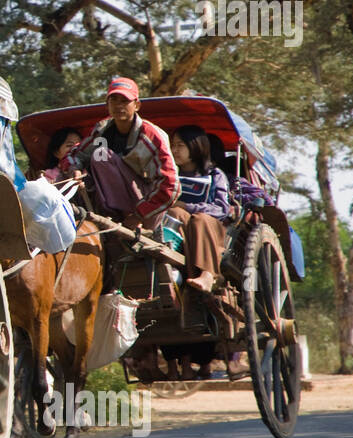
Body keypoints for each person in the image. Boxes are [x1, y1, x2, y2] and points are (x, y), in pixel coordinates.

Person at [66, 76, 179, 230]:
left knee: (102, 156)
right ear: (107, 105)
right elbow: (75, 155)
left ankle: (123, 216)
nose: (119, 106)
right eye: (114, 100)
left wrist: (139, 214)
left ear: (137, 105)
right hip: (113, 204)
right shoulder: (102, 130)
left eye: (125, 101)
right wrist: (75, 170)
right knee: (98, 157)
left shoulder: (151, 136)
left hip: (147, 208)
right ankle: (108, 215)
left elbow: (171, 186)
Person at [167, 125, 234, 294]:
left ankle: (208, 274)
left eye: (180, 145)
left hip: (213, 230)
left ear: (195, 146)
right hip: (182, 229)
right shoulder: (170, 175)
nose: (174, 150)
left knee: (200, 219)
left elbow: (221, 208)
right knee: (175, 213)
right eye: (172, 145)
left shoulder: (215, 175)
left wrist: (188, 206)